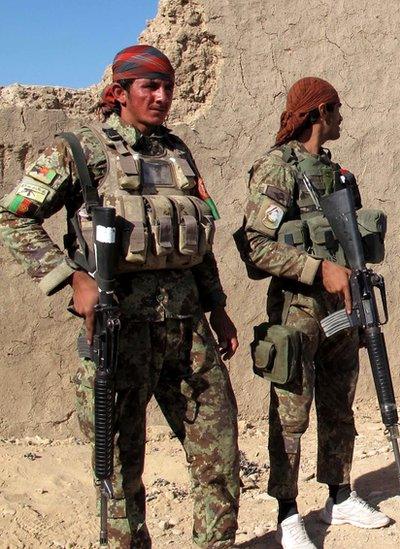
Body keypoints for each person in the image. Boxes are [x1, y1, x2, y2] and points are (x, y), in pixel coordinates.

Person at [0, 45, 241, 547]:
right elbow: (13, 215)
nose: (161, 97)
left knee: (218, 459)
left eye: (167, 87)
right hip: (119, 331)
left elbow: (198, 239)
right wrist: (71, 278)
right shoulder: (78, 149)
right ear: (120, 92)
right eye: (149, 87)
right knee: (120, 473)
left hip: (187, 332)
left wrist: (217, 307)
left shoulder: (177, 152)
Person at [236, 77, 390, 548]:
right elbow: (256, 248)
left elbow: (351, 244)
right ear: (320, 111)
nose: (342, 117)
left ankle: (340, 495)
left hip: (341, 308)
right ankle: (287, 511)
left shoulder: (338, 174)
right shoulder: (276, 169)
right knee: (291, 411)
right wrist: (315, 268)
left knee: (339, 402)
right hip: (298, 307)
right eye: (337, 109)